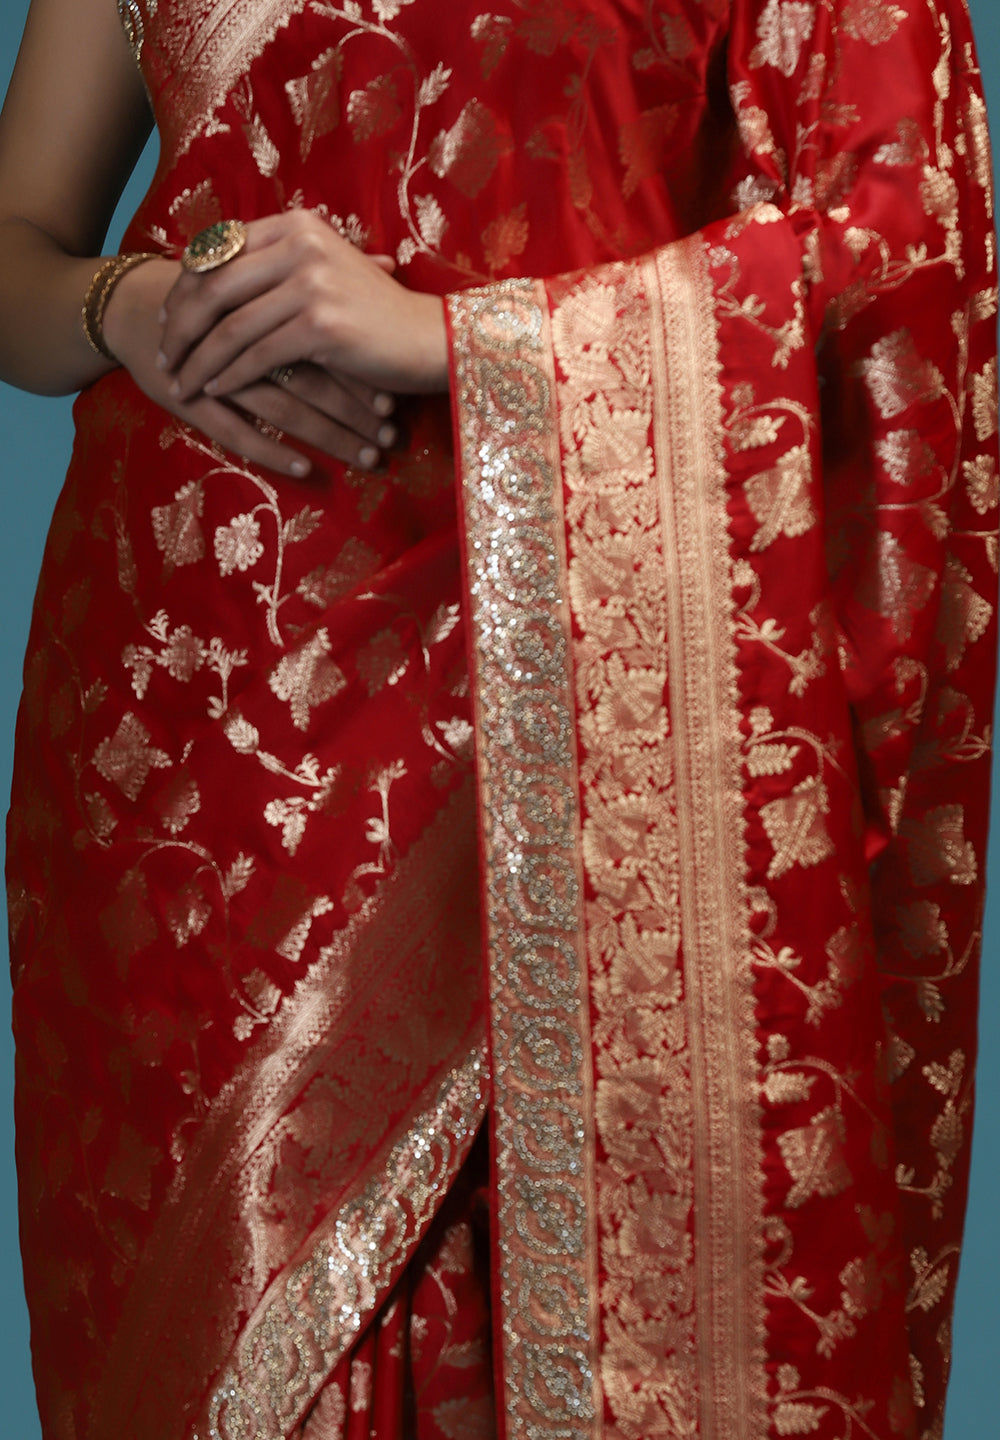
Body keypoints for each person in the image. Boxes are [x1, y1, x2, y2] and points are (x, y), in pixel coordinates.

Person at [0, 1, 996, 1437]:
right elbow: (18, 250)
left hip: (572, 720)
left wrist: (456, 337)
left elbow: (894, 245)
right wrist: (129, 303)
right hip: (185, 747)